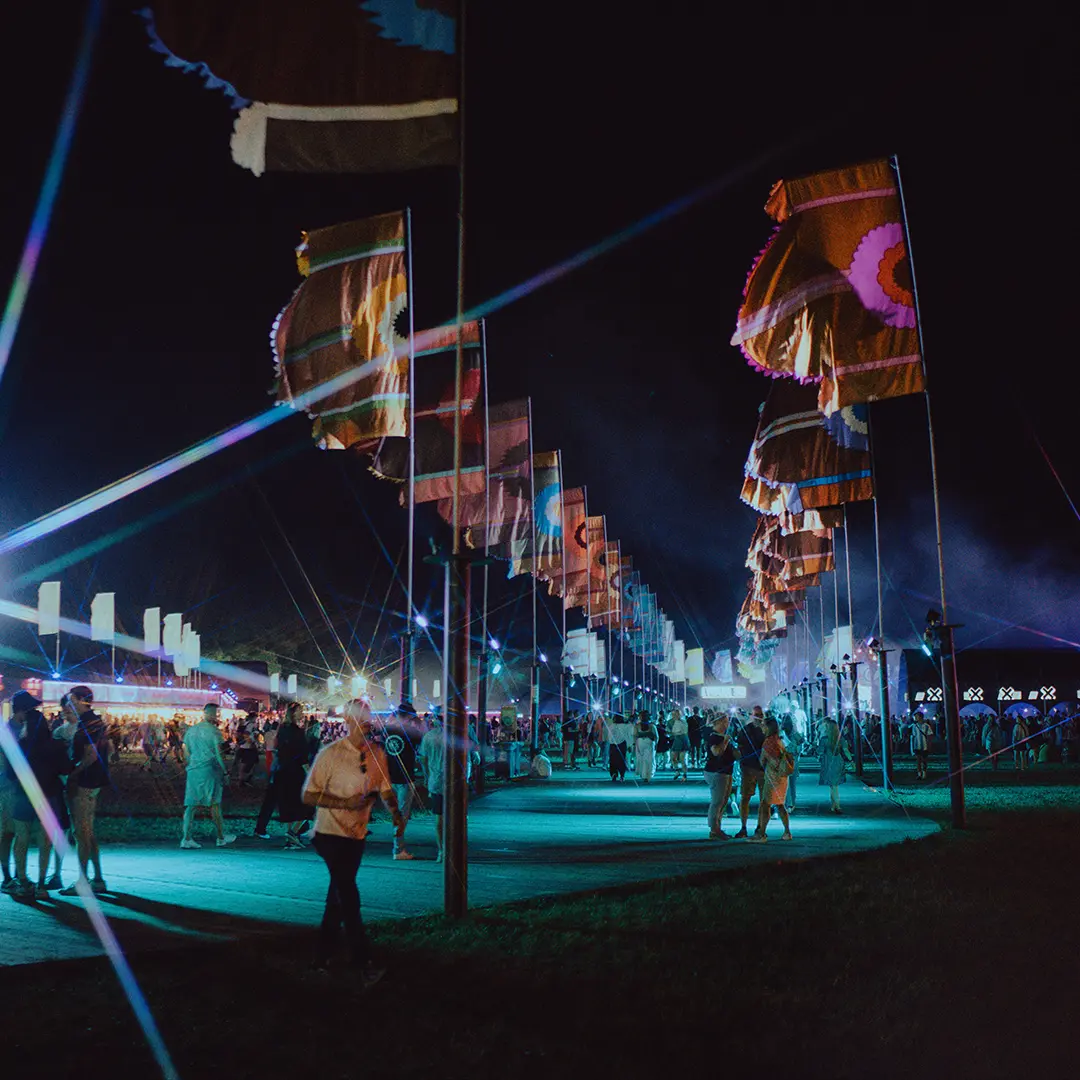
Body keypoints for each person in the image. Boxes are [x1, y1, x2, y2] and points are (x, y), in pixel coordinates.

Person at [302, 698, 403, 982]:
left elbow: (385, 788)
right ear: (348, 721)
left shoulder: (376, 754)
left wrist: (396, 813)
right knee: (348, 895)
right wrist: (343, 803)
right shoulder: (330, 754)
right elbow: (308, 795)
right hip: (329, 835)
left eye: (368, 716)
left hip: (355, 835)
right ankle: (363, 960)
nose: (366, 721)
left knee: (337, 898)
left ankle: (320, 959)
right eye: (360, 717)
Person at [58, 686, 112, 895]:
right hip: (95, 782)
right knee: (88, 831)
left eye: (72, 701)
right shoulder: (95, 722)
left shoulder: (88, 724)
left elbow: (90, 755)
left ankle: (83, 881)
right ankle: (97, 878)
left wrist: (73, 774)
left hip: (85, 782)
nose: (69, 705)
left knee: (81, 832)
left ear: (82, 700)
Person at [254, 702, 312, 848]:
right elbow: (302, 755)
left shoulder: (282, 730)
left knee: (289, 805)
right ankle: (292, 833)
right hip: (295, 772)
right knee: (306, 805)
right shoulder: (297, 732)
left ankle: (290, 839)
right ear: (293, 714)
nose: (302, 713)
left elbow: (280, 750)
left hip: (282, 771)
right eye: (300, 711)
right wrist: (310, 772)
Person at [179, 703, 236, 850]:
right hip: (209, 771)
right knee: (214, 804)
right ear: (211, 714)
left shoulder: (191, 731)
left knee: (190, 805)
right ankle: (221, 837)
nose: (217, 716)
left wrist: (191, 763)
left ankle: (186, 838)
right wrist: (225, 772)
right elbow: (218, 754)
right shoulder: (214, 731)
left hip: (193, 770)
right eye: (216, 714)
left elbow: (185, 751)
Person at [417, 714, 471, 862]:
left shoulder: (429, 736)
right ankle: (456, 849)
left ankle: (441, 850)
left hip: (436, 783)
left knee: (439, 818)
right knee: (458, 818)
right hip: (456, 783)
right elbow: (468, 760)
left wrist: (427, 776)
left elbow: (423, 758)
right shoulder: (458, 736)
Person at [380, 708, 419, 861]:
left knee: (396, 814)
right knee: (402, 814)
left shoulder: (386, 730)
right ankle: (398, 849)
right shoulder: (410, 732)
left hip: (389, 777)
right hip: (405, 778)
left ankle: (397, 846)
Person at [750, 718, 793, 842]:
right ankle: (787, 832)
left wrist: (764, 758)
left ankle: (761, 834)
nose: (762, 728)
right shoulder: (779, 740)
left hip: (772, 777)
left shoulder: (768, 742)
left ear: (769, 727)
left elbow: (762, 761)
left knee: (765, 804)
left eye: (763, 726)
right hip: (783, 777)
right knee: (780, 805)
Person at [733, 710, 766, 838]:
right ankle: (751, 827)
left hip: (752, 767)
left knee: (754, 799)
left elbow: (739, 746)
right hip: (755, 767)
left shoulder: (746, 729)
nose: (759, 717)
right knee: (748, 798)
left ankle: (755, 827)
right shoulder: (762, 729)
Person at [704, 712, 737, 839]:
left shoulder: (723, 736)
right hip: (716, 772)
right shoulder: (714, 737)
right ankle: (713, 829)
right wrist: (726, 741)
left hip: (727, 771)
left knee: (723, 802)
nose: (728, 724)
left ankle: (718, 827)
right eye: (727, 721)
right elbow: (717, 752)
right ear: (721, 722)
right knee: (717, 802)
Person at [818, 716, 847, 813]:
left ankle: (838, 806)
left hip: (828, 762)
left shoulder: (824, 739)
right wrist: (851, 761)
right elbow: (846, 750)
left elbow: (820, 751)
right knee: (834, 785)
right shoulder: (840, 739)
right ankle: (833, 805)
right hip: (839, 762)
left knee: (833, 785)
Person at [780, 715, 804, 812]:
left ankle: (787, 803)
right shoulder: (795, 734)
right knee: (793, 783)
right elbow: (802, 741)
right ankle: (792, 803)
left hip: (784, 760)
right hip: (794, 760)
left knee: (786, 782)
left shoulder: (781, 733)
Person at [633, 711, 657, 782]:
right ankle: (648, 775)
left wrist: (634, 744)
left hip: (640, 743)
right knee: (649, 759)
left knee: (641, 759)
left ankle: (643, 774)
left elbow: (635, 735)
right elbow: (656, 736)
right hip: (649, 743)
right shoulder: (652, 726)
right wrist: (656, 744)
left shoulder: (637, 726)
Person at [608, 713, 633, 781]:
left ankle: (614, 774)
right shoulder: (625, 726)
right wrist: (629, 745)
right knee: (622, 760)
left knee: (613, 760)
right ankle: (622, 775)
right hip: (622, 745)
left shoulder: (611, 726)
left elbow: (609, 737)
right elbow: (628, 736)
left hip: (613, 745)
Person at [910, 712, 933, 780]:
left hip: (924, 745)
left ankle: (924, 773)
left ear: (920, 717)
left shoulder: (926, 726)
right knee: (918, 760)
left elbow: (929, 735)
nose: (916, 718)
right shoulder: (914, 726)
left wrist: (929, 744)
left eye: (917, 716)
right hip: (917, 745)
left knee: (924, 760)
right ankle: (919, 773)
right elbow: (913, 736)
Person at [669, 708, 690, 781]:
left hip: (682, 740)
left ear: (678, 714)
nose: (673, 716)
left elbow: (683, 732)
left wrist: (673, 733)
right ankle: (677, 771)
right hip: (677, 740)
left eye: (674, 714)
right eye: (672, 714)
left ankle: (684, 774)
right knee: (673, 757)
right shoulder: (674, 722)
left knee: (682, 759)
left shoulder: (683, 722)